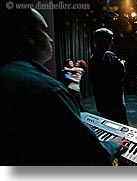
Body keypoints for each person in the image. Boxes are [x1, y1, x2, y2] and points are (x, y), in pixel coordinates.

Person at [0, 8, 130, 165]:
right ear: (27, 36)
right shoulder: (51, 91)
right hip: (114, 100)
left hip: (101, 100)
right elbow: (93, 153)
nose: (51, 39)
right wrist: (112, 145)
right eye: (44, 30)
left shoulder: (7, 72)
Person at [89, 28, 129, 126]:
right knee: (121, 129)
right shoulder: (108, 55)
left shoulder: (93, 58)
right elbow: (120, 75)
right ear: (107, 41)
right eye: (111, 40)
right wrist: (122, 65)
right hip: (115, 103)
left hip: (102, 103)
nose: (112, 43)